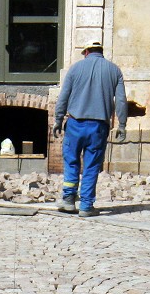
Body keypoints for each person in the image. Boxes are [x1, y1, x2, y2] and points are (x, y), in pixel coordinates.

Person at [52, 41, 127, 218]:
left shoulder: (75, 69)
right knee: (92, 165)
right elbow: (121, 101)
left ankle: (69, 200)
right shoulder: (114, 70)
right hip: (99, 126)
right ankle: (86, 205)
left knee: (71, 160)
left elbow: (64, 96)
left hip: (75, 124)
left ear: (86, 52)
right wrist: (122, 125)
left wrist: (58, 119)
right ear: (101, 52)